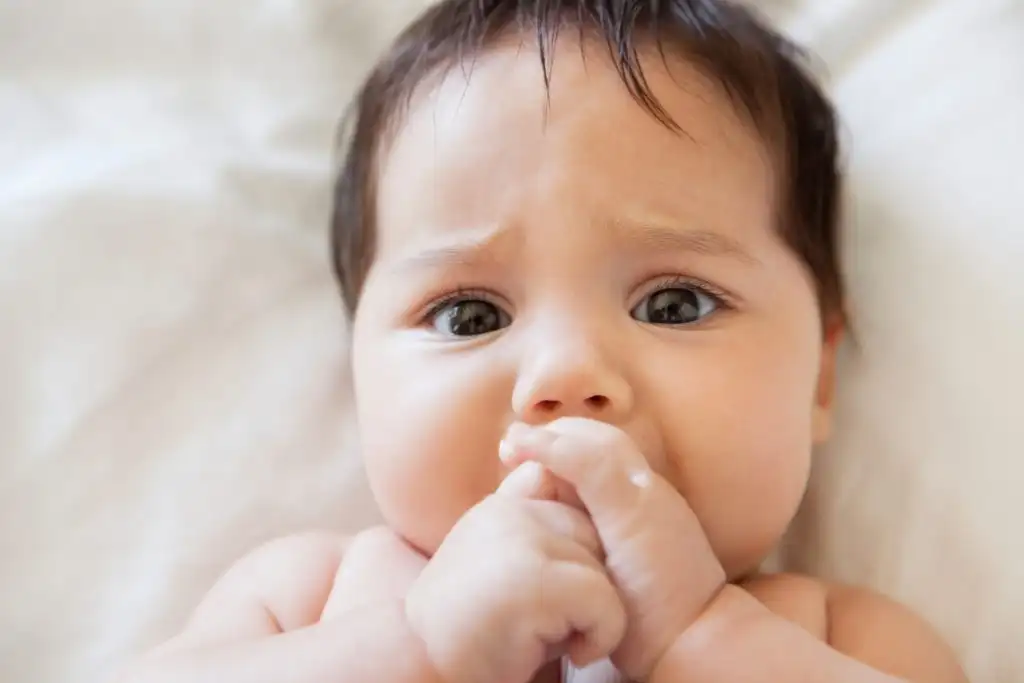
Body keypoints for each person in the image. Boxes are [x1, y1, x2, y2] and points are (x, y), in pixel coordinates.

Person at [117, 1, 968, 681]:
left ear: (818, 374)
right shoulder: (311, 599)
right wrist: (420, 651)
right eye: (469, 316)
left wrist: (699, 639)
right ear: (359, 372)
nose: (565, 375)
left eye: (674, 302)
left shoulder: (843, 639)